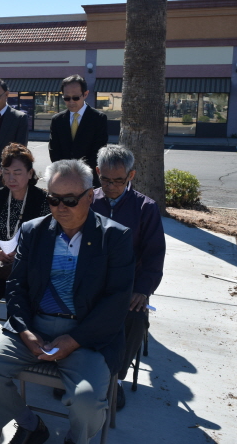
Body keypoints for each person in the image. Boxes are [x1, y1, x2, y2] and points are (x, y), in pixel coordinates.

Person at [0, 159, 134, 444]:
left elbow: (116, 301)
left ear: (89, 196)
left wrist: (73, 340)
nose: (60, 207)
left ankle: (76, 438)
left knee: (87, 401)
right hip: (34, 325)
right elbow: (17, 285)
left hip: (87, 334)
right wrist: (25, 331)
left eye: (70, 200)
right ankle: (30, 424)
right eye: (53, 199)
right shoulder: (34, 231)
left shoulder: (114, 237)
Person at [90, 144, 165, 410]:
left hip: (127, 286)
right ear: (97, 172)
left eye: (118, 181)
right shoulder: (87, 200)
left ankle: (115, 379)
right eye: (105, 180)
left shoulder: (145, 208)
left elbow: (154, 257)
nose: (111, 186)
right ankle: (77, 371)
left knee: (135, 318)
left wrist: (142, 290)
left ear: (131, 176)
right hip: (89, 282)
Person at [0, 143, 50, 345]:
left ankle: (14, 345)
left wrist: (20, 254)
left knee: (18, 298)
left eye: (17, 173)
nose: (11, 178)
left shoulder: (42, 199)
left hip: (27, 267)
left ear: (30, 173)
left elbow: (45, 236)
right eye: (7, 172)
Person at [48, 74, 108, 188]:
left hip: (89, 180)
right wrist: (65, 173)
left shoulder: (98, 118)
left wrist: (79, 174)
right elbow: (54, 151)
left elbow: (98, 151)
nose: (71, 101)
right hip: (63, 178)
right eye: (67, 98)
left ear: (85, 94)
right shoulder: (57, 120)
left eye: (75, 97)